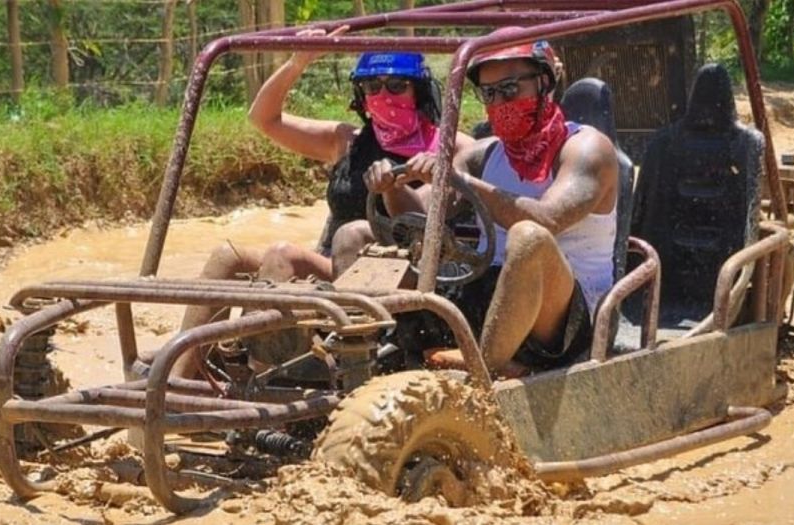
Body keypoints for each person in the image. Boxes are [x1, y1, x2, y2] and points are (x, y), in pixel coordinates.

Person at [169, 28, 473, 379]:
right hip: (339, 265)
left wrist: (397, 185)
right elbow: (263, 119)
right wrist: (298, 63)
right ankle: (185, 380)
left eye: (395, 86)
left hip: (411, 273)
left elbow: (433, 217)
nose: (383, 95)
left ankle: (278, 377)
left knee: (343, 236)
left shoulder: (452, 147)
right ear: (361, 94)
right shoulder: (349, 141)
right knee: (234, 255)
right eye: (373, 87)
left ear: (417, 90)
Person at [367, 30, 618, 377]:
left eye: (510, 89)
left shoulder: (588, 149)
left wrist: (463, 181)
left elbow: (546, 220)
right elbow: (422, 219)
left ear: (545, 82)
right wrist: (391, 188)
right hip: (485, 294)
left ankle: (483, 373)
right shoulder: (483, 155)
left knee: (529, 238)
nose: (500, 103)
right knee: (355, 235)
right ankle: (352, 361)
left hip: (566, 319)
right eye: (490, 93)